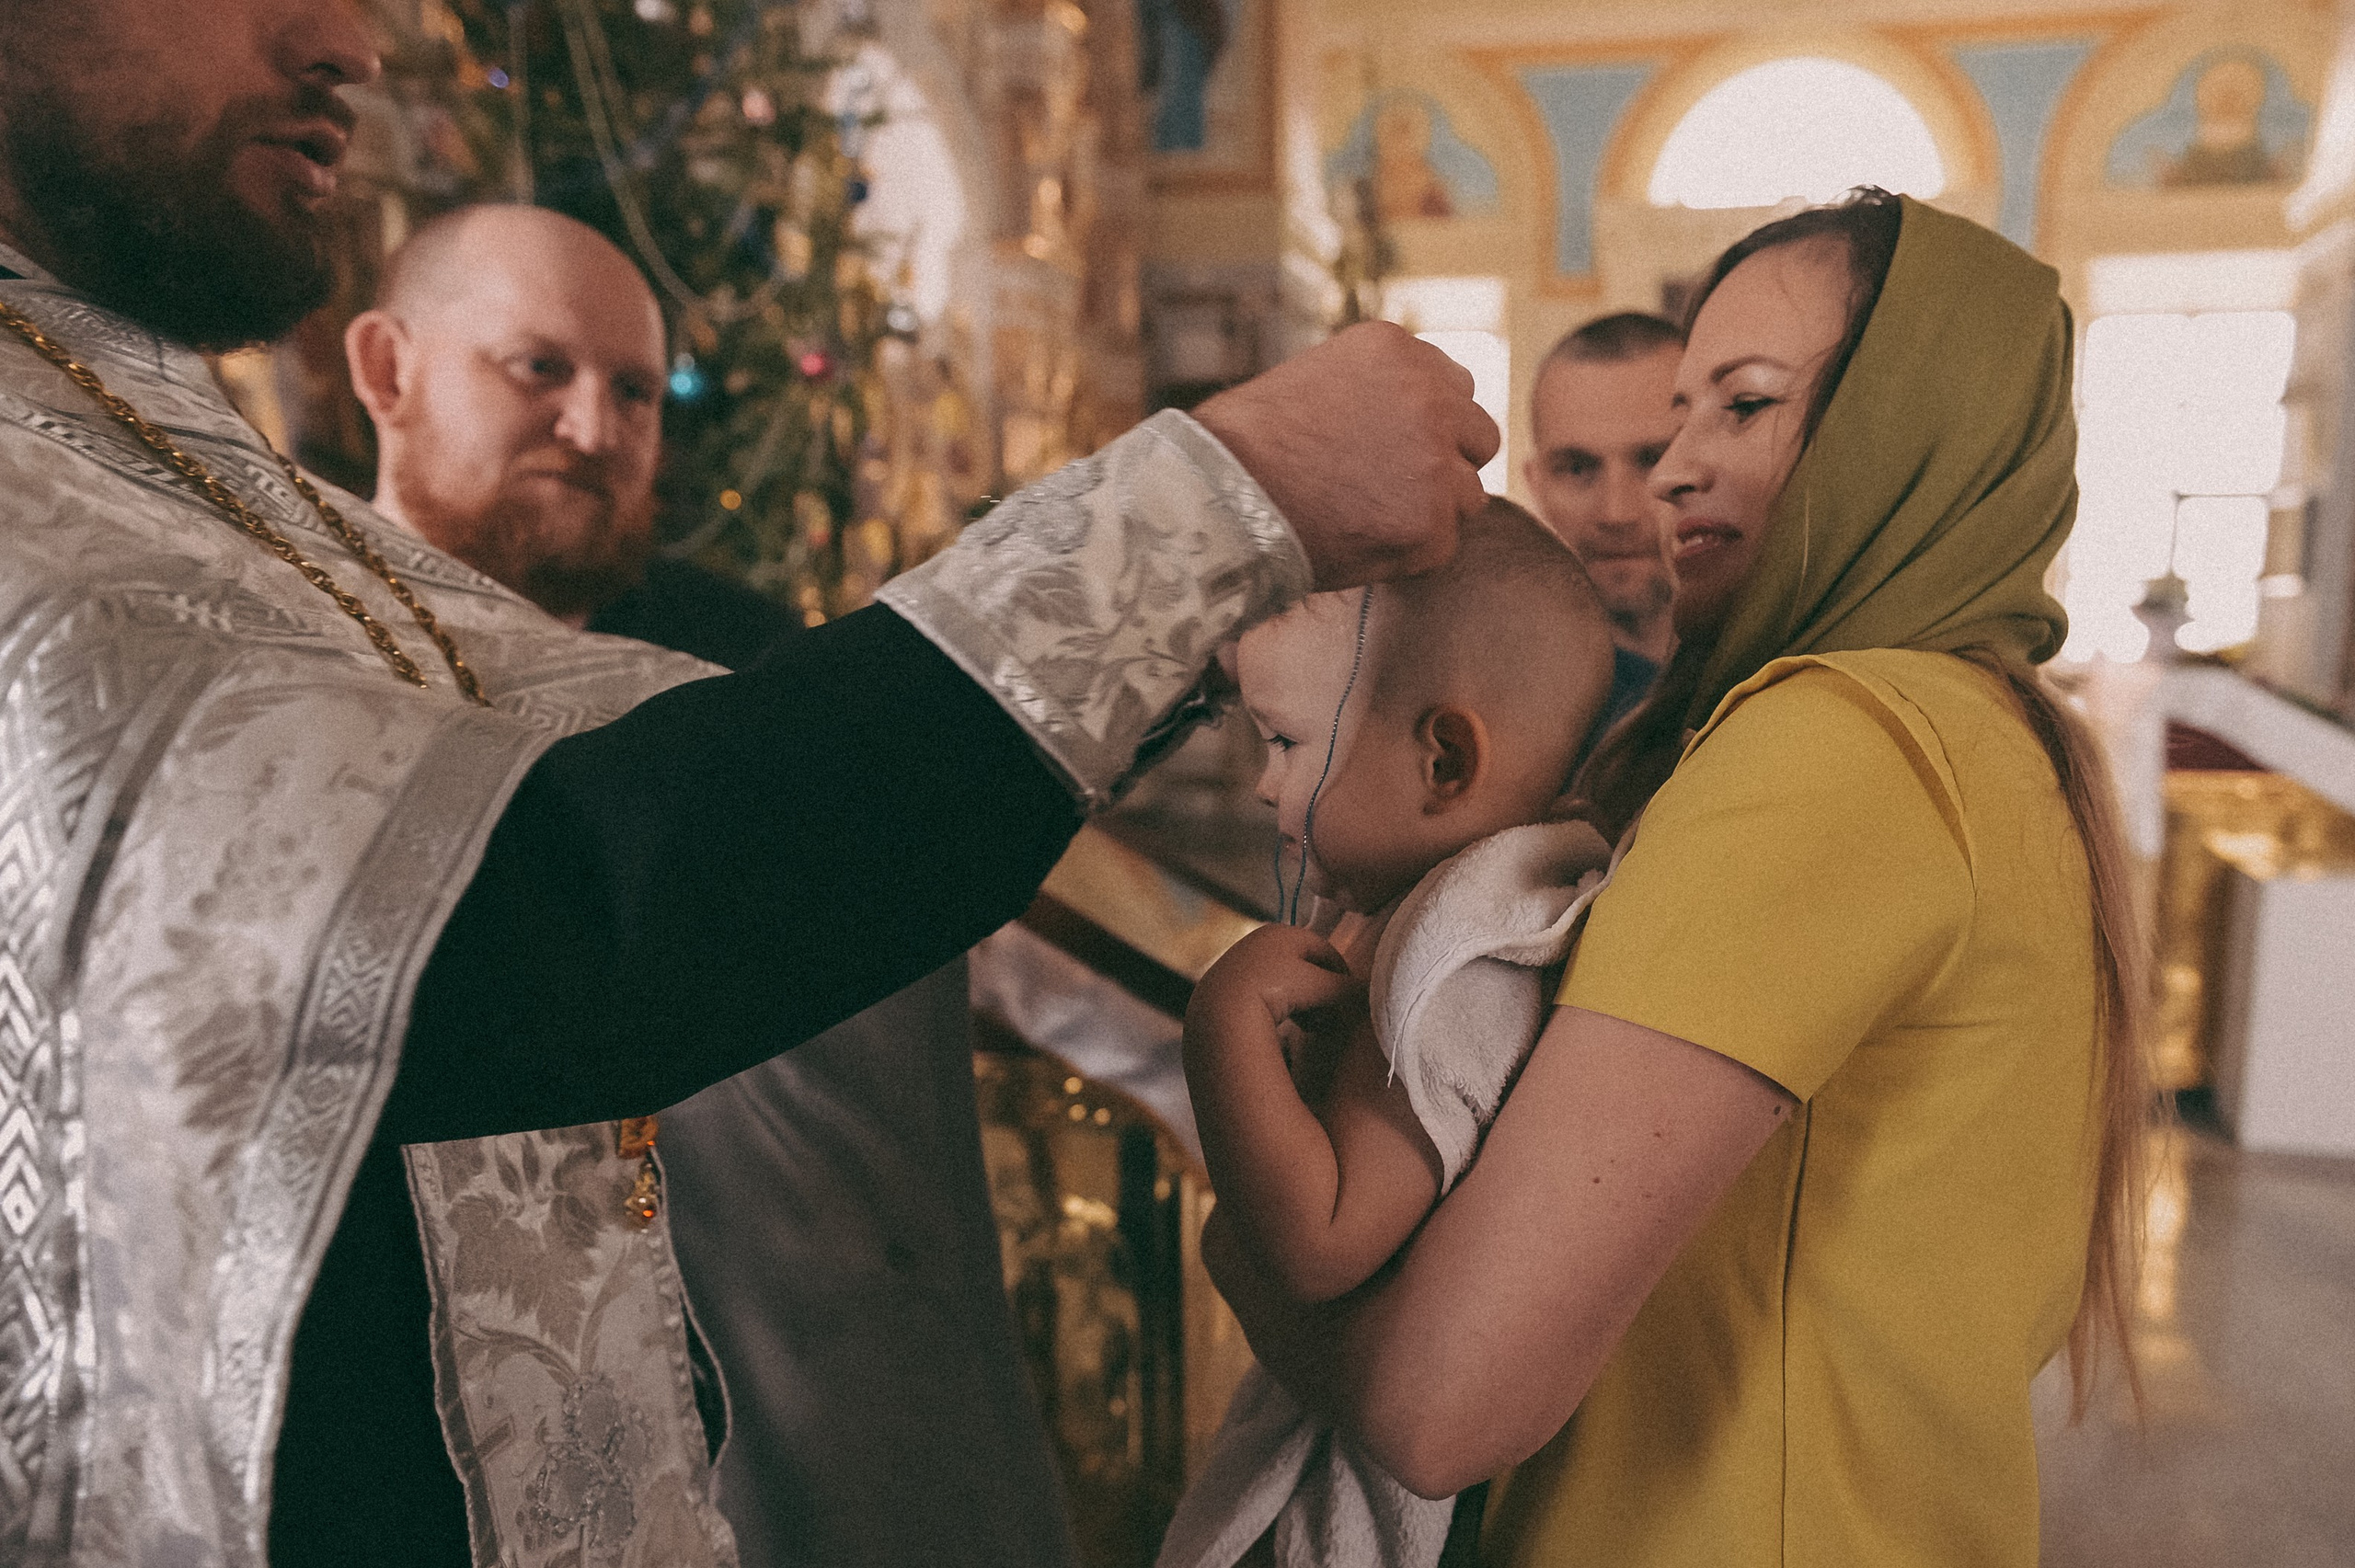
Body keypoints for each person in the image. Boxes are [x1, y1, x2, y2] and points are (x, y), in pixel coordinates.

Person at [0, 4, 1497, 1563]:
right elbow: (544, 911)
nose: (356, 42)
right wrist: (1217, 497)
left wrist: (1206, 590)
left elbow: (640, 753)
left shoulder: (115, 410)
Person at [1203, 189, 2150, 1568]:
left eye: (1746, 408)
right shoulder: (1985, 735)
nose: (1672, 474)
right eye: (1685, 410)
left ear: (1910, 426)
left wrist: (1245, 1254)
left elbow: (1432, 1406)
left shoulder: (1838, 745)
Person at [344, 204, 1075, 1568]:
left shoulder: (751, 665)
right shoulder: (298, 671)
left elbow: (929, 931)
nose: (596, 426)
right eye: (538, 369)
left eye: (636, 389)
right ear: (387, 370)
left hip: (782, 1397)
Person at [1155, 501, 1616, 1568]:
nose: (1261, 780)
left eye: (1285, 741)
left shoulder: (1457, 966)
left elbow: (1320, 1241)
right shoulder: (1411, 905)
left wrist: (1218, 1026)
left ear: (1443, 760)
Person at [1521, 312, 1683, 721]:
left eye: (1652, 461)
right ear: (1535, 483)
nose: (1617, 513)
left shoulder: (1791, 672)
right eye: (1577, 468)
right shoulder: (1493, 702)